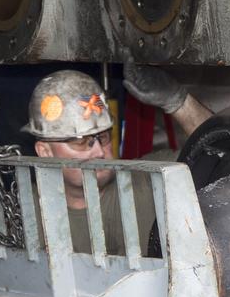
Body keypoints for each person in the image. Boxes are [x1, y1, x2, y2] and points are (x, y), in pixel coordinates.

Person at [21, 66, 211, 255]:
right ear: (45, 151)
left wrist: (178, 101)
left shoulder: (148, 178)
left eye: (103, 137)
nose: (98, 151)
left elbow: (221, 147)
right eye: (81, 141)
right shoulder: (24, 209)